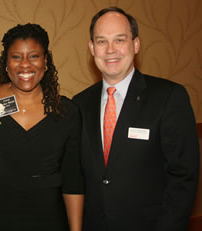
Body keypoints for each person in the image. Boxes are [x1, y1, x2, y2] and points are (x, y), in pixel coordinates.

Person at [73, 7, 200, 231]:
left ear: (136, 44)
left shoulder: (168, 97)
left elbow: (183, 178)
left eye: (119, 40)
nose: (110, 50)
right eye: (101, 41)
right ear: (92, 48)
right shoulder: (79, 104)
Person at [0, 23, 84, 231]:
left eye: (34, 56)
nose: (25, 65)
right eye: (16, 56)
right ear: (6, 63)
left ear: (46, 61)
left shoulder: (67, 112)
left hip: (48, 220)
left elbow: (73, 179)